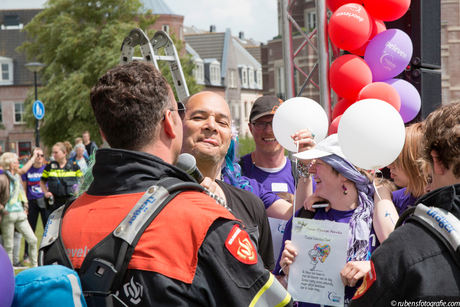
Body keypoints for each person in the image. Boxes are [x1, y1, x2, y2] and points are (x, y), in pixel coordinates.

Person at [42, 61, 292, 306]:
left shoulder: (57, 224)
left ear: (103, 133)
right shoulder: (203, 221)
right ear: (171, 123)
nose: (211, 127)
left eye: (222, 121)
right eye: (193, 116)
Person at [350, 103, 460, 305]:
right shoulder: (397, 197)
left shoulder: (407, 237)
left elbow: (396, 246)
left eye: (397, 158)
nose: (389, 164)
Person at [278, 134, 381, 307]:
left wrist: (372, 267)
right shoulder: (305, 217)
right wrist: (288, 272)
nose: (311, 171)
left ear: (343, 174)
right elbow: (281, 286)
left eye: (319, 164)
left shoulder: (377, 219)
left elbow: (402, 273)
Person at [181, 91, 276, 271]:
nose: (211, 126)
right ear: (177, 125)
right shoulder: (155, 196)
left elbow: (262, 280)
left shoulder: (252, 204)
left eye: (222, 122)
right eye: (199, 117)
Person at [240, 96, 297, 197]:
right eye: (261, 124)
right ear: (250, 128)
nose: (269, 131)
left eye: (275, 123)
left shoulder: (301, 174)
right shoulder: (236, 172)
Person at [0, 152, 38, 267]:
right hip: (8, 215)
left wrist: (25, 208)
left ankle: (35, 266)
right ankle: (9, 270)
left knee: (33, 240)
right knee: (9, 245)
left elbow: (23, 194)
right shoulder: (2, 179)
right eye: (17, 162)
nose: (19, 164)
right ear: (11, 165)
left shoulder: (17, 178)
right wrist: (3, 210)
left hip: (20, 214)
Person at [387, 122, 427, 215]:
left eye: (398, 160)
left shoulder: (438, 205)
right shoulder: (397, 196)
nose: (389, 165)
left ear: (417, 162)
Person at [21, 147, 49, 265]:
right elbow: (23, 187)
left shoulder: (46, 169)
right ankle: (26, 253)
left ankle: (48, 253)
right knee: (30, 229)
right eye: (37, 155)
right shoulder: (28, 170)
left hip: (44, 201)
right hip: (32, 202)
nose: (39, 157)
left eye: (41, 155)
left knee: (47, 228)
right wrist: (25, 204)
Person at [40, 142, 82, 212]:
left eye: (56, 152)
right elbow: (42, 182)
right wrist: (46, 192)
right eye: (53, 153)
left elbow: (84, 181)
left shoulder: (74, 166)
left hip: (70, 202)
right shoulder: (49, 166)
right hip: (54, 203)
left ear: (64, 152)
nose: (54, 155)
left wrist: (78, 190)